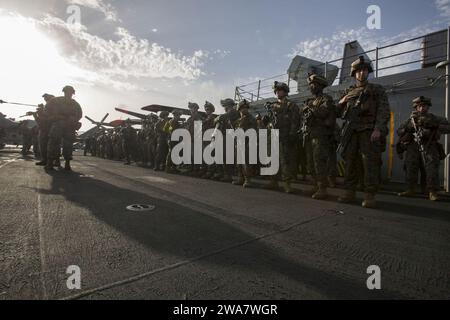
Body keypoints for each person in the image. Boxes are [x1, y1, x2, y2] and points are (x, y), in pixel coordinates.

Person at [337, 57, 390, 208]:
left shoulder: (376, 89)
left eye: (365, 70)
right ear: (354, 74)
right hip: (351, 132)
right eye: (359, 71)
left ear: (368, 72)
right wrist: (342, 101)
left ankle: (369, 195)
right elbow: (337, 112)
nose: (362, 73)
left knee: (370, 163)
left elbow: (384, 110)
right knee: (350, 162)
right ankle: (349, 192)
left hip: (368, 130)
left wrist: (378, 129)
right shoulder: (348, 92)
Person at [396, 96, 450, 201]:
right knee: (410, 167)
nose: (421, 108)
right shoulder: (410, 119)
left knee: (431, 168)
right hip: (413, 146)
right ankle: (410, 189)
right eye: (419, 106)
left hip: (429, 145)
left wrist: (434, 126)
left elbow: (448, 128)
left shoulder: (435, 118)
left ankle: (431, 191)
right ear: (416, 107)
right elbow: (399, 131)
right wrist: (408, 128)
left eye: (424, 106)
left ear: (428, 107)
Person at [301, 74, 336, 199]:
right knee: (311, 162)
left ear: (321, 86)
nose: (312, 86)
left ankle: (322, 188)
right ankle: (316, 185)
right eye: (310, 84)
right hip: (310, 135)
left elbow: (323, 113)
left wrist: (310, 107)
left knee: (319, 162)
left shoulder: (326, 99)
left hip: (320, 136)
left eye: (314, 84)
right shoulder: (312, 101)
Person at [264, 81, 300, 193]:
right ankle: (273, 181)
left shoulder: (291, 105)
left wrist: (292, 134)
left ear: (285, 91)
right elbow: (269, 122)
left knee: (285, 161)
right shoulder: (272, 106)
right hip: (273, 136)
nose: (278, 92)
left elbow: (295, 121)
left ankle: (287, 184)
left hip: (285, 136)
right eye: (276, 90)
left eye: (280, 90)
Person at [45, 86, 82, 171]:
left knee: (64, 144)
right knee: (55, 143)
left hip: (66, 126)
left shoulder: (58, 101)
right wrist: (54, 117)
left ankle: (64, 163)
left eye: (70, 92)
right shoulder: (56, 100)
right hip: (61, 124)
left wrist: (73, 119)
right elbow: (47, 110)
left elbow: (79, 115)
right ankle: (54, 162)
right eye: (68, 92)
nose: (69, 93)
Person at [233, 99, 257, 188]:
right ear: (239, 109)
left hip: (246, 143)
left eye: (246, 108)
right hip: (238, 143)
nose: (245, 109)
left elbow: (254, 132)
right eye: (243, 108)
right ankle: (240, 178)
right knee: (238, 162)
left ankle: (248, 180)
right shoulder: (238, 120)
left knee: (246, 162)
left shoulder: (251, 119)